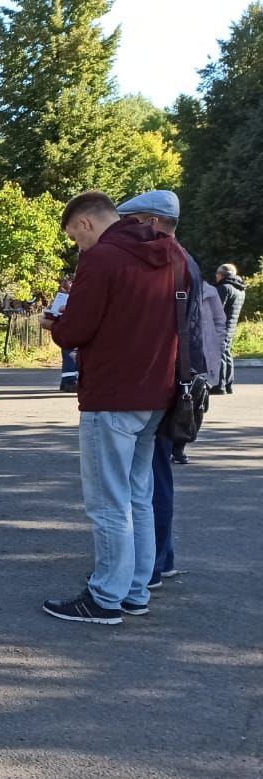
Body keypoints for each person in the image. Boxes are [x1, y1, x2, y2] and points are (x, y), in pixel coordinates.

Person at [43, 190, 180, 626]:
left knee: (107, 502)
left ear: (85, 223)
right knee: (139, 496)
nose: (78, 246)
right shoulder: (173, 254)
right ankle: (136, 590)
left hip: (112, 393)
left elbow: (77, 330)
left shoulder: (102, 259)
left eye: (75, 237)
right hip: (158, 391)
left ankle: (104, 596)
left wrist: (55, 325)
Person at [115, 191, 223, 590]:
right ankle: (161, 557)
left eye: (133, 221)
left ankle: (154, 562)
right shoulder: (183, 261)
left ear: (153, 221)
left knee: (151, 476)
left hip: (166, 383)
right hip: (178, 380)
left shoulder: (170, 262)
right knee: (153, 474)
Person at [214, 263, 247, 395]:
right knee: (227, 353)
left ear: (221, 275)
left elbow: (217, 309)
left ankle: (219, 385)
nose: (216, 276)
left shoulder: (224, 288)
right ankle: (228, 384)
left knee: (220, 354)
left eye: (217, 274)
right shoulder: (240, 289)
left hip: (221, 325)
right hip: (231, 326)